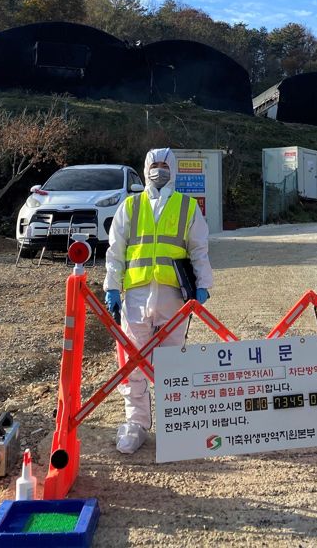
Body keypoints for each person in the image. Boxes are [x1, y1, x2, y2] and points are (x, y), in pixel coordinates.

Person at [103, 147, 213, 454]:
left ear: (173, 170)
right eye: (154, 165)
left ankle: (172, 423)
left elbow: (199, 249)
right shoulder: (131, 205)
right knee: (132, 361)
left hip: (174, 296)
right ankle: (135, 423)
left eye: (165, 165)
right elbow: (116, 250)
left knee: (171, 362)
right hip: (135, 294)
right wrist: (112, 286)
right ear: (146, 167)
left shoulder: (186, 206)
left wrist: (204, 285)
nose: (159, 171)